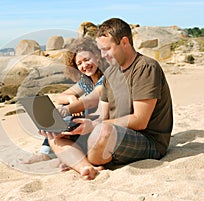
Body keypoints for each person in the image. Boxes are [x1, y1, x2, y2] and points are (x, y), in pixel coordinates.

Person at [39, 18, 173, 180]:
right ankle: (86, 167)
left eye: (107, 49)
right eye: (101, 50)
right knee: (56, 135)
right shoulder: (111, 73)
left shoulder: (145, 67)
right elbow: (103, 116)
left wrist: (95, 125)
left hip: (148, 141)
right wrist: (77, 124)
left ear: (124, 42)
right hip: (114, 134)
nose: (103, 55)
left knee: (103, 131)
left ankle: (77, 159)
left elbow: (140, 121)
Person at [24, 37, 107, 164]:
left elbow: (91, 99)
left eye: (87, 60)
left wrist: (69, 108)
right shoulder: (87, 81)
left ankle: (49, 153)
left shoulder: (106, 78)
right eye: (79, 64)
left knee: (64, 117)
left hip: (100, 123)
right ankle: (46, 152)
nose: (84, 65)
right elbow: (61, 96)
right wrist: (71, 98)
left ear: (97, 56)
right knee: (61, 118)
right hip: (90, 120)